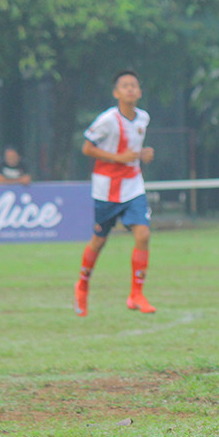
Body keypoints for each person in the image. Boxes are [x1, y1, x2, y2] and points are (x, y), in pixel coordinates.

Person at [73, 70, 155, 317]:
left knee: (143, 234)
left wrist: (143, 155)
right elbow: (87, 148)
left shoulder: (143, 118)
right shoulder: (107, 120)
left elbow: (134, 150)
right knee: (99, 240)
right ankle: (82, 284)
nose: (130, 89)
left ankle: (136, 294)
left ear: (139, 92)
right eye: (125, 86)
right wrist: (118, 158)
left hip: (133, 185)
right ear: (116, 93)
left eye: (134, 85)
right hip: (106, 188)